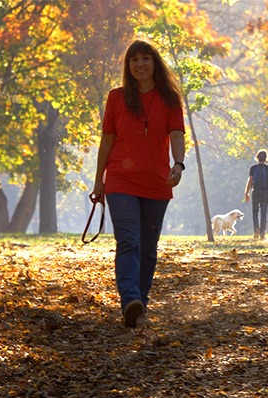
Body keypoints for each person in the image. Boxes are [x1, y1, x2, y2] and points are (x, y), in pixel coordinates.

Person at [90, 39, 186, 329]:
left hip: (157, 183)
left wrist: (178, 164)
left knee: (148, 247)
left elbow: (177, 134)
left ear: (154, 63)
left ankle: (139, 307)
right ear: (127, 66)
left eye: (145, 58)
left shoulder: (170, 99)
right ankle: (130, 299)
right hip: (121, 180)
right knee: (129, 240)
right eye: (134, 60)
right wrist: (99, 179)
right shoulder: (116, 98)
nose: (139, 64)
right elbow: (107, 139)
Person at [243, 150, 268, 240]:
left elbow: (250, 181)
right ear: (266, 158)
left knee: (255, 212)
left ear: (257, 157)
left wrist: (246, 192)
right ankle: (262, 234)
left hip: (255, 192)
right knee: (264, 213)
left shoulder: (253, 168)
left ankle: (256, 231)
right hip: (265, 192)